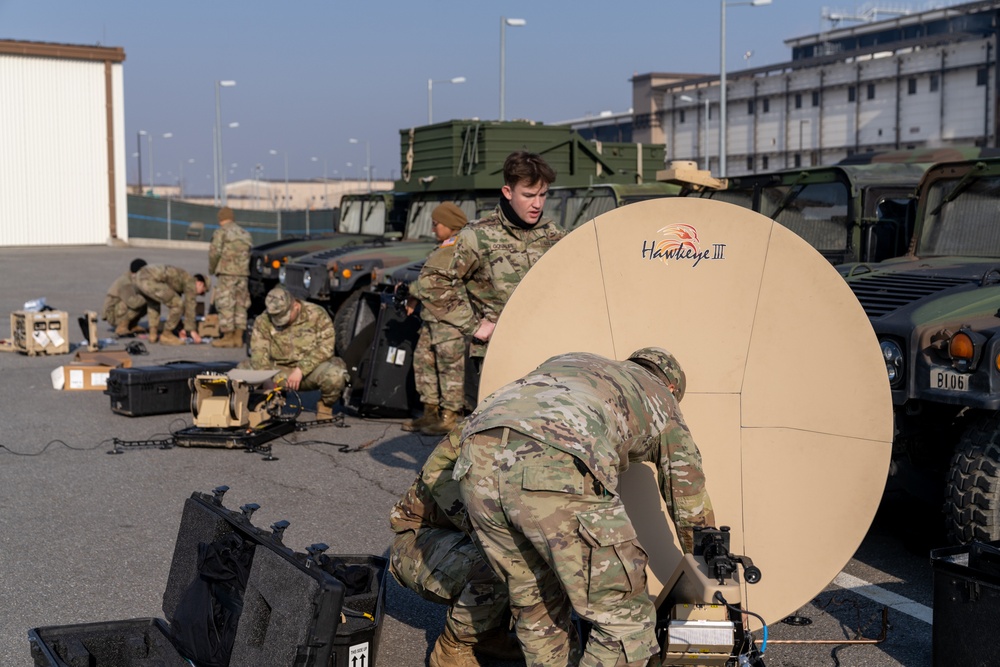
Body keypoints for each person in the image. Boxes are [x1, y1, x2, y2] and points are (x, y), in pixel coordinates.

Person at [453, 348, 716, 667]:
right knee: (626, 623)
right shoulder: (662, 398)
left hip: (474, 459)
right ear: (672, 387)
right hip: (555, 466)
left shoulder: (575, 361)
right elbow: (686, 487)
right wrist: (706, 554)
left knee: (535, 601)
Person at [432, 151, 565, 405]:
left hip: (546, 359)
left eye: (543, 194)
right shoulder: (477, 236)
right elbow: (431, 280)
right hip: (495, 362)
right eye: (528, 195)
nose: (537, 204)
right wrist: (473, 325)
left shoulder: (555, 235)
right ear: (508, 192)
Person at [389, 430, 521, 667]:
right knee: (502, 561)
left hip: (466, 538)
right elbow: (437, 476)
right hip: (419, 542)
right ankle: (452, 647)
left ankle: (487, 634)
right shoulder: (482, 429)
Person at [402, 202, 471, 436]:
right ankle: (430, 412)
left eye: (436, 224)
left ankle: (450, 418)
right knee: (424, 363)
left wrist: (411, 291)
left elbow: (433, 283)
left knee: (449, 368)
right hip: (431, 318)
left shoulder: (458, 247)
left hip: (448, 319)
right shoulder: (443, 246)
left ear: (449, 224)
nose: (433, 229)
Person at [240, 285, 348, 419]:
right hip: (278, 371)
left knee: (336, 375)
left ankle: (325, 405)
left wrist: (300, 370)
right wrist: (266, 379)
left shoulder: (316, 314)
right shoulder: (263, 320)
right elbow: (258, 354)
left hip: (309, 372)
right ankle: (263, 402)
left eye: (284, 316)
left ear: (295, 305)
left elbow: (326, 348)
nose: (280, 321)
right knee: (243, 371)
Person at [208, 206, 253, 348]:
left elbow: (214, 253)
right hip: (243, 274)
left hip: (227, 273)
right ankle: (238, 337)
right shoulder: (245, 233)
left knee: (226, 303)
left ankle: (227, 337)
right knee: (241, 304)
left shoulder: (221, 232)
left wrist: (212, 269)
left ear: (220, 218)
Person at [132, 264, 207, 346]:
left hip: (137, 279)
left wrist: (181, 329)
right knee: (178, 304)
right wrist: (192, 331)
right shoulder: (191, 282)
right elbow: (190, 307)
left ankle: (152, 335)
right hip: (150, 280)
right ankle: (167, 335)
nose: (199, 295)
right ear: (200, 284)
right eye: (203, 292)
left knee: (153, 303)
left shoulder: (181, 279)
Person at [102, 258, 148, 336]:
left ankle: (132, 325)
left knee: (144, 303)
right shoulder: (126, 282)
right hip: (112, 314)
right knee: (137, 303)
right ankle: (121, 327)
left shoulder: (134, 278)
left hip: (119, 311)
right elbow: (133, 303)